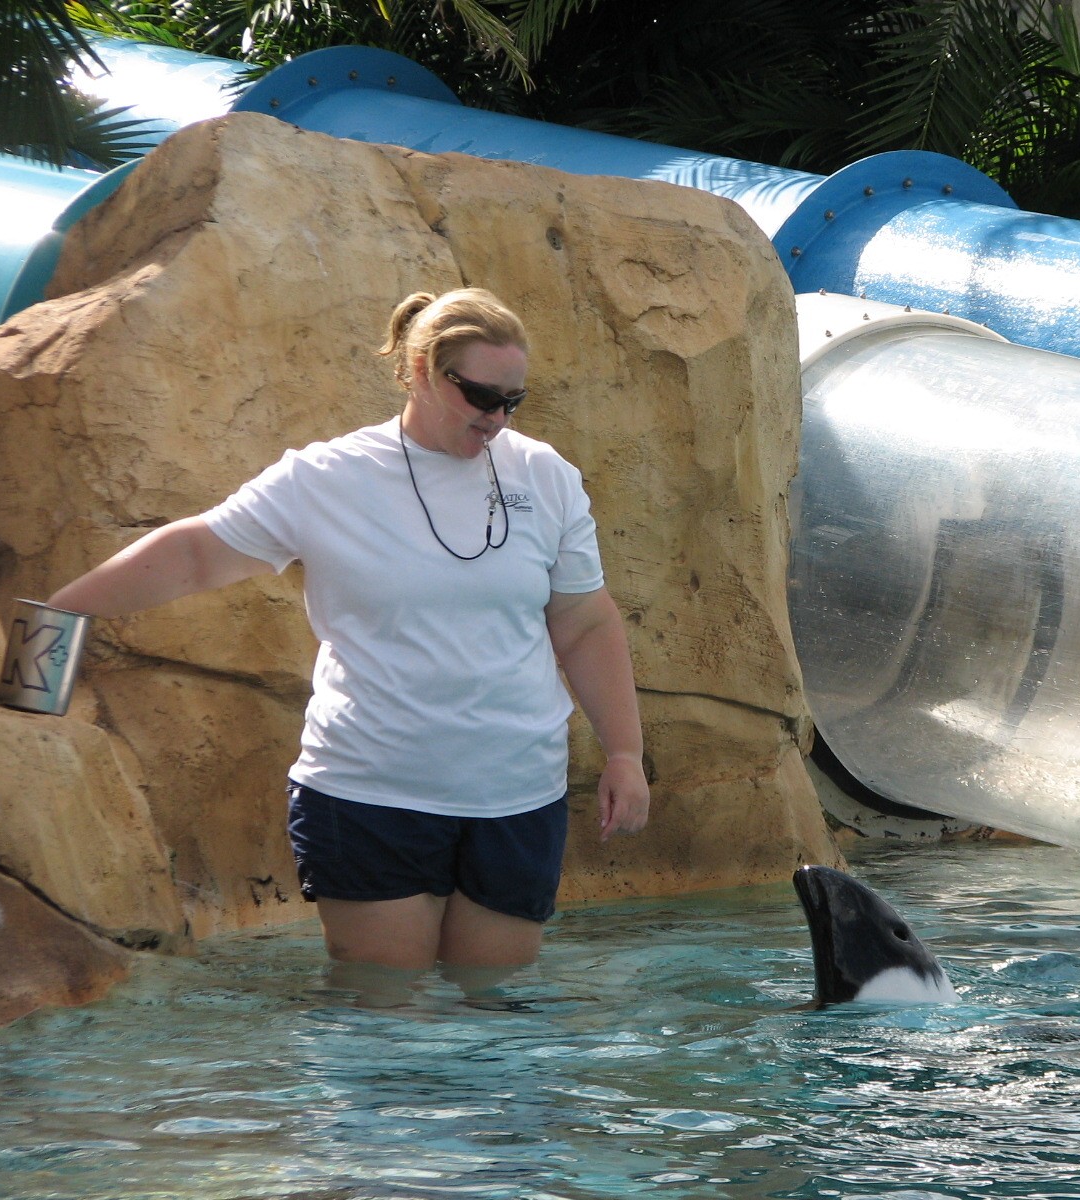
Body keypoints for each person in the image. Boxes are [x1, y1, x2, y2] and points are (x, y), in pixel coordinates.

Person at [50, 288, 649, 995]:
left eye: (512, 401)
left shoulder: (545, 476)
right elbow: (196, 554)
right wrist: (57, 617)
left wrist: (623, 753)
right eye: (481, 397)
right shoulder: (326, 478)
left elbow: (584, 620)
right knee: (382, 1014)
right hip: (372, 791)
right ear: (421, 371)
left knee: (497, 1015)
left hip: (518, 795)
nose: (496, 419)